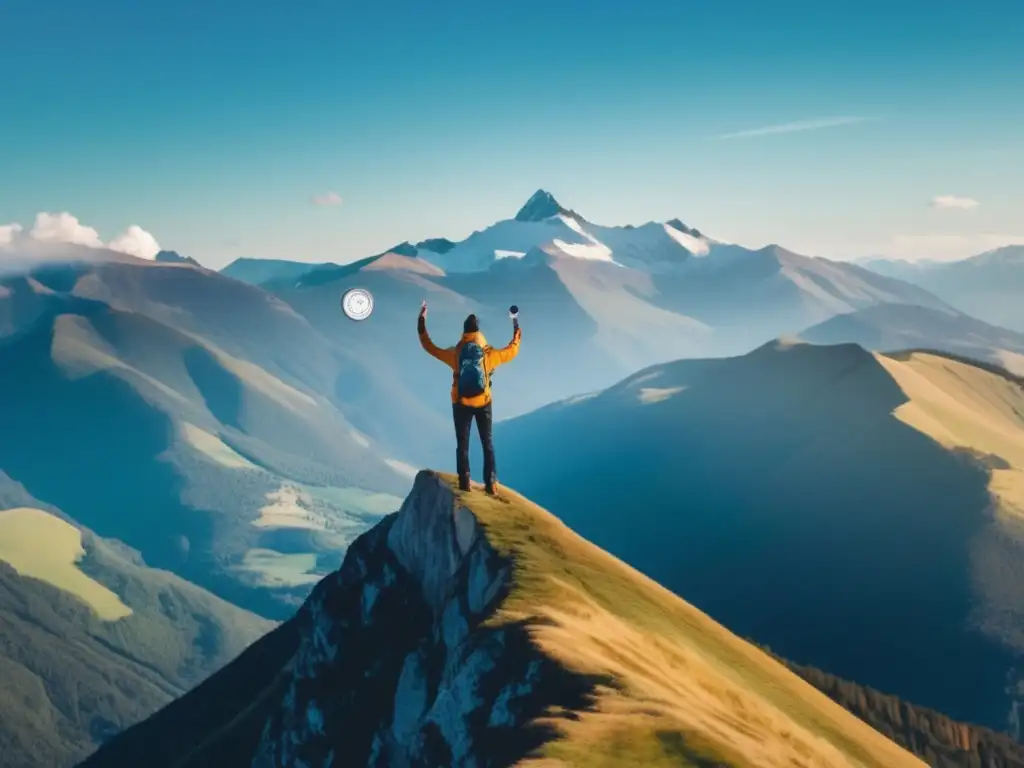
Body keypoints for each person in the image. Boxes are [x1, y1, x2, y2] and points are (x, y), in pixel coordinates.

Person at [417, 301, 521, 494]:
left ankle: (465, 483)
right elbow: (512, 349)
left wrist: (421, 320)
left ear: (463, 332)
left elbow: (429, 347)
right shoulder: (489, 355)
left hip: (461, 403)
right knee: (487, 443)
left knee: (462, 443)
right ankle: (491, 484)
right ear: (479, 332)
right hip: (484, 402)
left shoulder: (455, 354)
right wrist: (516, 324)